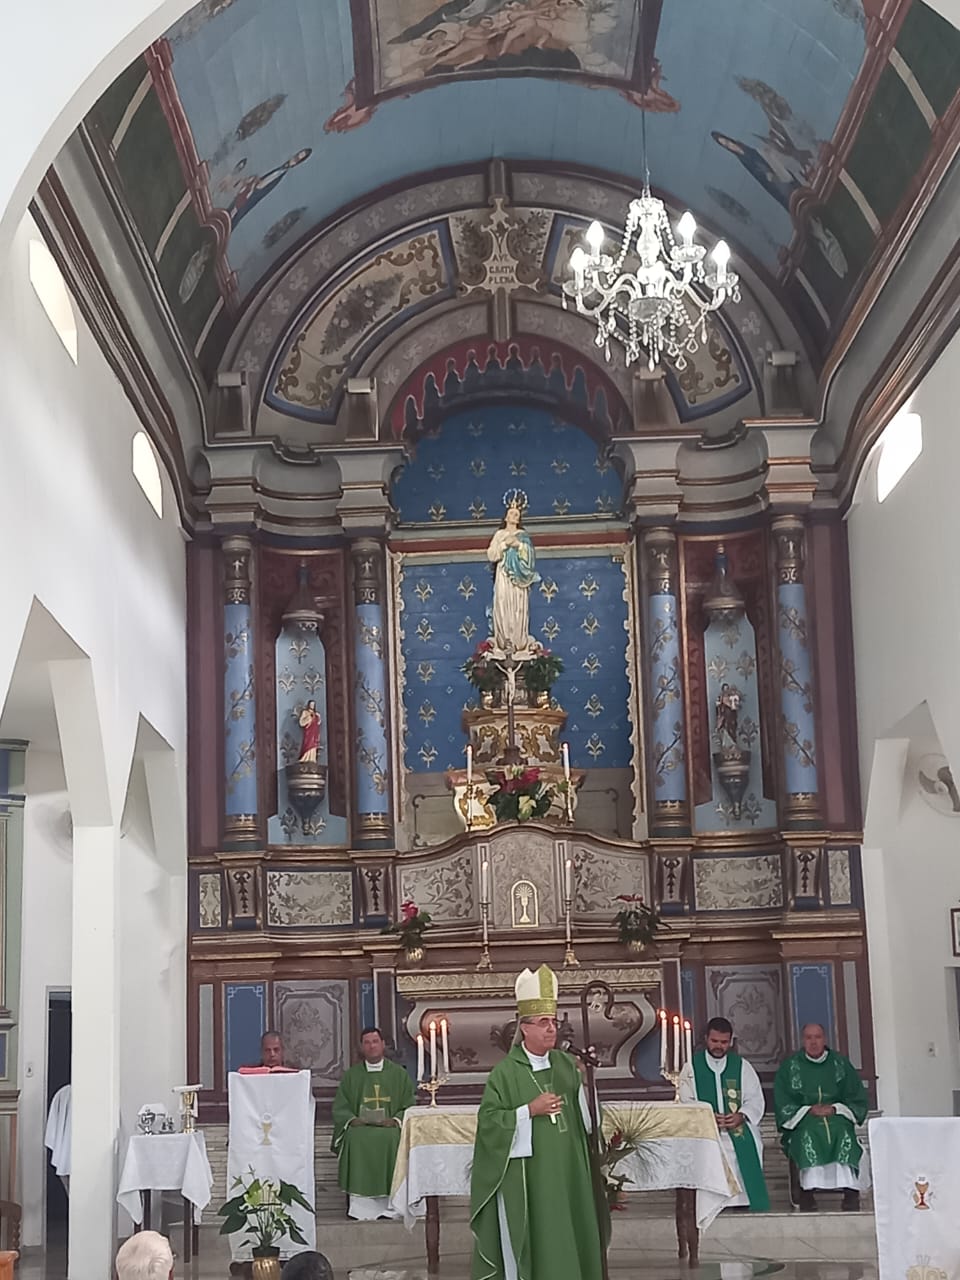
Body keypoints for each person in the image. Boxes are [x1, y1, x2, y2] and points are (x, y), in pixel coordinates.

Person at [470, 964, 607, 1280]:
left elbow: (588, 1122)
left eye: (554, 1021)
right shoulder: (505, 1073)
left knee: (573, 1233)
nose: (551, 1029)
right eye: (543, 1022)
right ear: (524, 1028)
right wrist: (528, 1111)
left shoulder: (566, 1064)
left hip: (570, 1170)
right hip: (532, 1176)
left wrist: (585, 1082)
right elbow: (489, 1123)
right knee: (542, 1238)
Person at [774, 1023, 869, 1211]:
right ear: (803, 1040)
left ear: (825, 1039)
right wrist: (808, 1110)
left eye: (817, 1037)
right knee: (809, 1132)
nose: (813, 1042)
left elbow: (855, 1095)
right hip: (804, 1117)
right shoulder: (790, 1066)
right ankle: (807, 1192)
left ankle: (850, 1191)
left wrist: (835, 1108)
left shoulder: (839, 1063)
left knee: (841, 1132)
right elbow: (783, 1100)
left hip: (836, 1115)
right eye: (808, 1037)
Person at [679, 1017, 769, 1212]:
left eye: (724, 1042)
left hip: (736, 1127)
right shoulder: (692, 1066)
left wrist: (741, 1115)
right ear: (706, 1038)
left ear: (730, 1041)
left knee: (751, 1143)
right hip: (705, 1130)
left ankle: (741, 1201)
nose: (719, 1046)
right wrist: (706, 1117)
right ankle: (711, 1204)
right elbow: (685, 1100)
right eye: (714, 1041)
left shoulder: (742, 1066)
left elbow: (755, 1098)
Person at [332, 1026, 415, 1220]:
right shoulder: (351, 1076)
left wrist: (395, 1120)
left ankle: (393, 1205)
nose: (371, 1046)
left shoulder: (399, 1074)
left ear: (383, 1044)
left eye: (375, 1041)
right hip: (361, 1128)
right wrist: (353, 1119)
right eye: (367, 1043)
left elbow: (409, 1105)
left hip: (390, 1129)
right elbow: (341, 1107)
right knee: (354, 1137)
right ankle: (360, 1208)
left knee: (393, 1137)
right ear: (362, 1047)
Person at [486, 492, 539, 657]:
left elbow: (530, 557)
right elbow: (491, 555)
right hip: (503, 574)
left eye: (517, 514)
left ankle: (518, 642)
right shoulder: (499, 535)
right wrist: (503, 545)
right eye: (511, 513)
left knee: (518, 607)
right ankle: (504, 642)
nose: (514, 516)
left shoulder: (523, 536)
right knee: (502, 604)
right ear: (506, 517)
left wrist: (518, 545)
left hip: (519, 579)